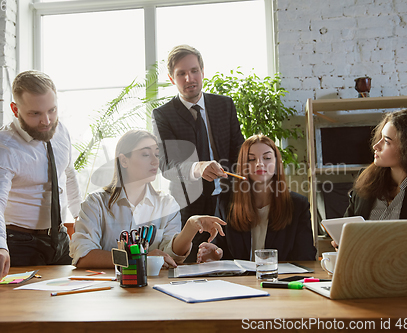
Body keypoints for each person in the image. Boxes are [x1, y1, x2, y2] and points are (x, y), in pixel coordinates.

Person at [0, 70, 82, 284]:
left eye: (52, 110)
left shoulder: (60, 131)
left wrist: (81, 217)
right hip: (20, 244)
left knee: (63, 304)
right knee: (21, 310)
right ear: (15, 109)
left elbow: (68, 174)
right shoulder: (2, 146)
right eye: (35, 114)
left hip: (60, 239)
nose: (46, 121)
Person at [69, 130, 226, 268]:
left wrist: (191, 227)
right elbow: (84, 255)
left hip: (155, 293)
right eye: (145, 154)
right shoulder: (95, 204)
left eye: (157, 155)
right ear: (123, 160)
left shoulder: (167, 204)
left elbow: (172, 256)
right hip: (109, 293)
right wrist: (138, 259)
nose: (155, 161)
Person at [152, 44, 244, 262]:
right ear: (172, 78)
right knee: (191, 265)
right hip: (188, 207)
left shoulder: (224, 105)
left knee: (232, 262)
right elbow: (167, 165)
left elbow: (238, 149)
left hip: (229, 200)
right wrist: (197, 167)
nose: (189, 78)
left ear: (202, 72)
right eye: (181, 74)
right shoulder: (163, 115)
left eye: (194, 71)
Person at [197, 135, 317, 263]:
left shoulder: (298, 205)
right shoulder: (226, 202)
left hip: (280, 281)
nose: (260, 164)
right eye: (251, 159)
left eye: (267, 158)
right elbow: (220, 249)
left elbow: (306, 257)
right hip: (238, 282)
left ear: (276, 164)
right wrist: (214, 254)